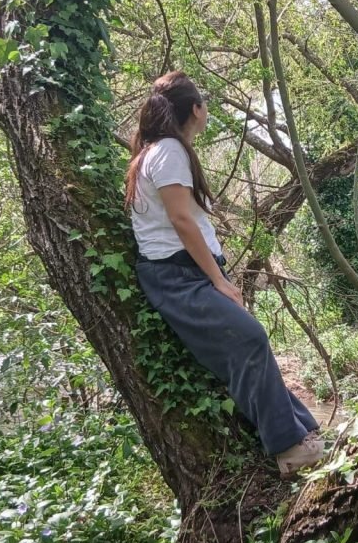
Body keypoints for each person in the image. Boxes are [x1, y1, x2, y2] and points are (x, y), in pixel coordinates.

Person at [125, 71, 324, 475]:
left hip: (183, 272)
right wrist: (218, 279)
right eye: (206, 103)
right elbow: (182, 220)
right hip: (178, 275)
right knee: (250, 337)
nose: (209, 110)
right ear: (196, 109)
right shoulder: (169, 152)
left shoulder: (160, 152)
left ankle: (304, 433)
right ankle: (288, 447)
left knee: (245, 345)